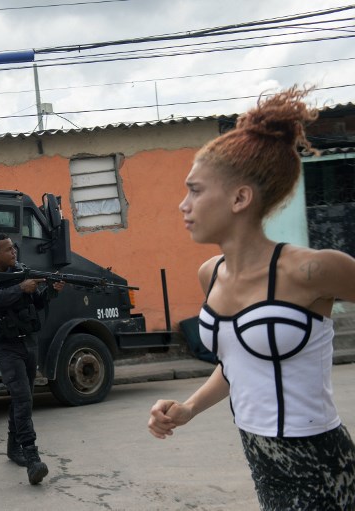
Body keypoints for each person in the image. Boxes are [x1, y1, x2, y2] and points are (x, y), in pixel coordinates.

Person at [147, 86, 355, 509]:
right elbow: (239, 364)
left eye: (196, 190)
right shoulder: (212, 274)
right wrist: (188, 408)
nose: (182, 205)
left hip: (321, 466)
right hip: (261, 461)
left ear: (241, 197)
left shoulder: (311, 270)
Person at [0, 233, 64, 485]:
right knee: (22, 398)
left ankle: (14, 448)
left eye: (14, 248)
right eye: (9, 250)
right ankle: (32, 459)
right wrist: (20, 287)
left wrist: (51, 291)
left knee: (23, 398)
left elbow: (37, 302)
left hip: (28, 343)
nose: (14, 253)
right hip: (6, 347)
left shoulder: (21, 271)